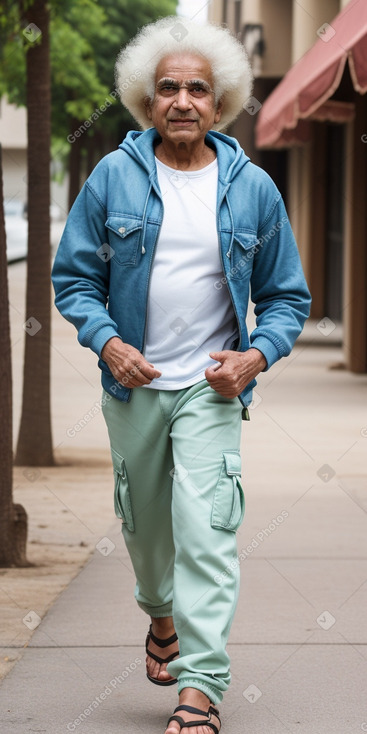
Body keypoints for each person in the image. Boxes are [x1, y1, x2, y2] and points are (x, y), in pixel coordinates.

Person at [52, 15, 311, 734]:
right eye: (168, 88)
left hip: (209, 390)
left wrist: (254, 355)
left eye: (198, 89)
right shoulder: (113, 175)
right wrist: (107, 343)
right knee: (145, 533)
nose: (183, 101)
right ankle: (158, 617)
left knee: (207, 533)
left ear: (220, 102)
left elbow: (288, 297)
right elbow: (73, 280)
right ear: (146, 100)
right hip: (133, 388)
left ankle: (199, 689)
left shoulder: (251, 188)